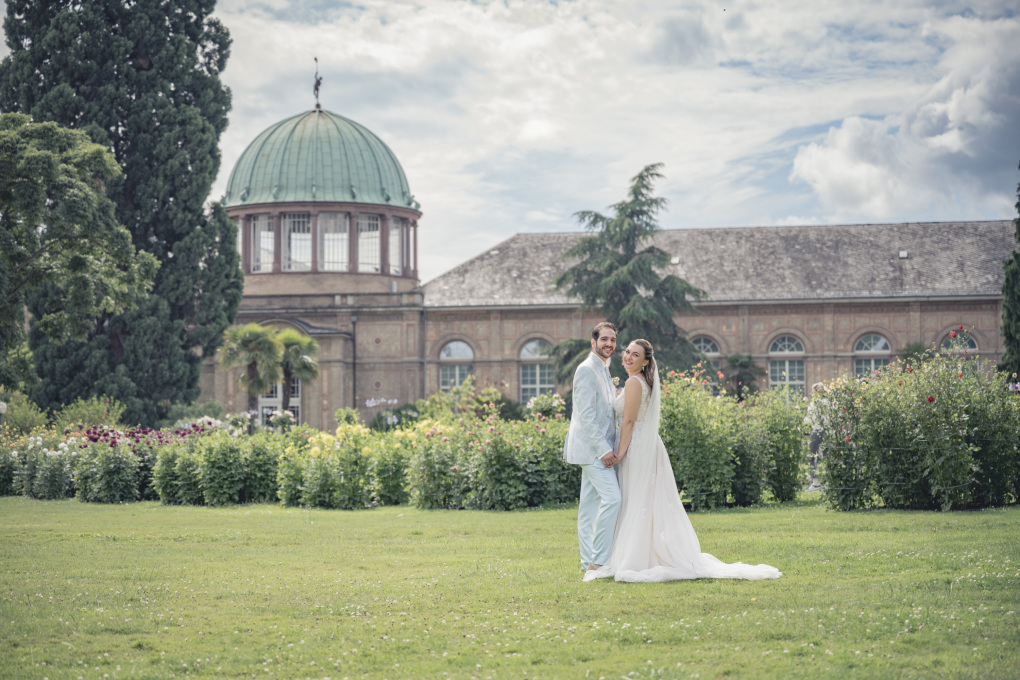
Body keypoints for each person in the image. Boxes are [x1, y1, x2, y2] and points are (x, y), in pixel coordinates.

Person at [584, 339, 782, 583]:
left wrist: (620, 453)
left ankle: (638, 555)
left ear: (645, 361)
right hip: (647, 444)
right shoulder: (643, 381)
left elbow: (628, 421)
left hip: (636, 446)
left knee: (637, 497)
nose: (628, 357)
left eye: (635, 355)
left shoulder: (634, 382)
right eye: (627, 352)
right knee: (645, 498)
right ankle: (643, 550)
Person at [564, 321, 621, 573]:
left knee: (588, 509)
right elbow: (585, 415)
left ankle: (587, 562)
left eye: (613, 340)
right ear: (593, 342)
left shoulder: (604, 370)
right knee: (613, 498)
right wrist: (603, 450)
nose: (609, 344)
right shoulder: (586, 369)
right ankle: (598, 561)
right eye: (604, 339)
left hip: (598, 448)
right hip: (591, 450)